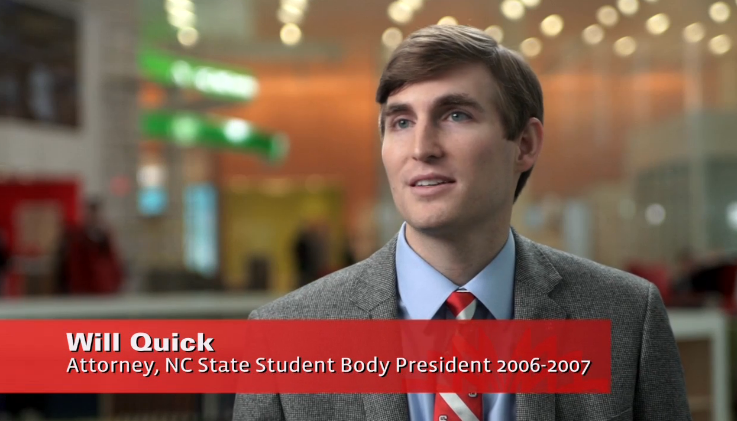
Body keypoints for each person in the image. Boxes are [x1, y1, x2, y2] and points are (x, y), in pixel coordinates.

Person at [233, 25, 690, 421]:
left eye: (455, 115)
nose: (422, 148)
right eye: (401, 122)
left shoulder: (628, 316)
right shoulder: (283, 337)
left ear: (525, 145)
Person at [56, 198, 123, 295]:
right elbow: (74, 265)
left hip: (104, 288)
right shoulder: (77, 236)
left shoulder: (104, 236)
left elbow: (112, 262)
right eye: (90, 213)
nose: (93, 217)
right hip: (83, 288)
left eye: (95, 213)